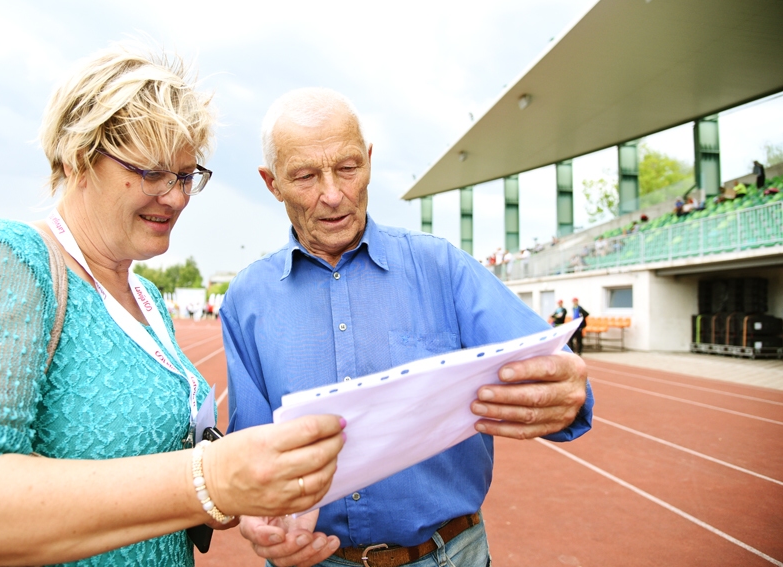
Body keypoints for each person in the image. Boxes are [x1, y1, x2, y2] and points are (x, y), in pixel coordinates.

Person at [0, 46, 345, 567]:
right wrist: (209, 478)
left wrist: (236, 496)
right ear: (78, 156)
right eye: (151, 172)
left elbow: (156, 475)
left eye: (185, 176)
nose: (176, 197)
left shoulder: (147, 299)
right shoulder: (2, 260)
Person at [221, 88, 593, 567]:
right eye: (306, 176)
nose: (332, 194)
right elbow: (248, 452)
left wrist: (567, 389)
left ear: (369, 161)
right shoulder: (246, 299)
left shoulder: (443, 267)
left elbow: (556, 374)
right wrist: (256, 514)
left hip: (448, 555)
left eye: (348, 167)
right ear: (272, 183)